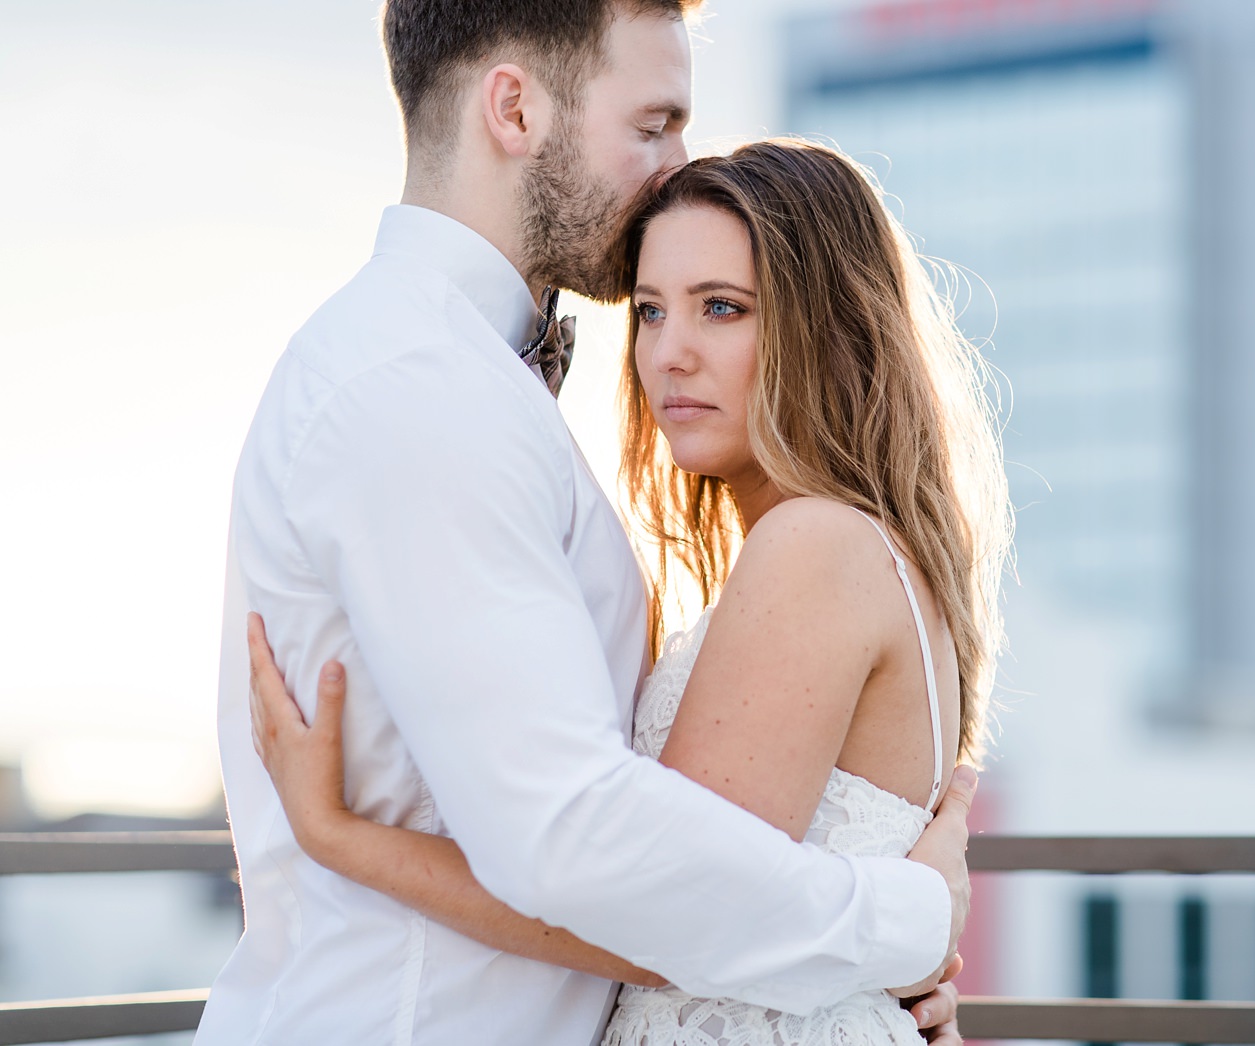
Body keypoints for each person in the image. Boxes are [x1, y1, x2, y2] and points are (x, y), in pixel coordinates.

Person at [204, 4, 972, 1043]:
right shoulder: (420, 385)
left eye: (721, 306)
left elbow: (669, 875)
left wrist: (847, 979)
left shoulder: (466, 382)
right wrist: (899, 922)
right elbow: (579, 842)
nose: (675, 166)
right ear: (514, 109)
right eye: (653, 123)